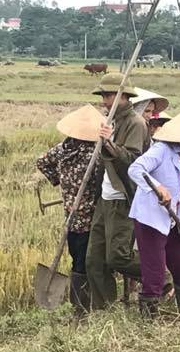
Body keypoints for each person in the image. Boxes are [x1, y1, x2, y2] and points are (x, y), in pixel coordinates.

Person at [126, 107, 180, 319]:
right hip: (150, 219)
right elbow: (135, 169)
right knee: (154, 272)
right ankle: (149, 321)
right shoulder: (161, 151)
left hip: (172, 220)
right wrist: (158, 187)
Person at [35, 104, 105, 313]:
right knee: (87, 261)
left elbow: (42, 162)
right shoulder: (95, 154)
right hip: (90, 216)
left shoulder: (62, 149)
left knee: (77, 259)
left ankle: (80, 305)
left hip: (71, 215)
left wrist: (61, 184)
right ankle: (82, 306)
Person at [87, 73, 148, 310]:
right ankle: (105, 308)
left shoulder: (135, 123)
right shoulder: (109, 121)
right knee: (94, 260)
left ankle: (161, 277)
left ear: (123, 96)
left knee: (118, 256)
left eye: (109, 95)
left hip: (123, 197)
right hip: (105, 196)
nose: (105, 100)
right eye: (103, 95)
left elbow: (132, 161)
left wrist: (110, 143)